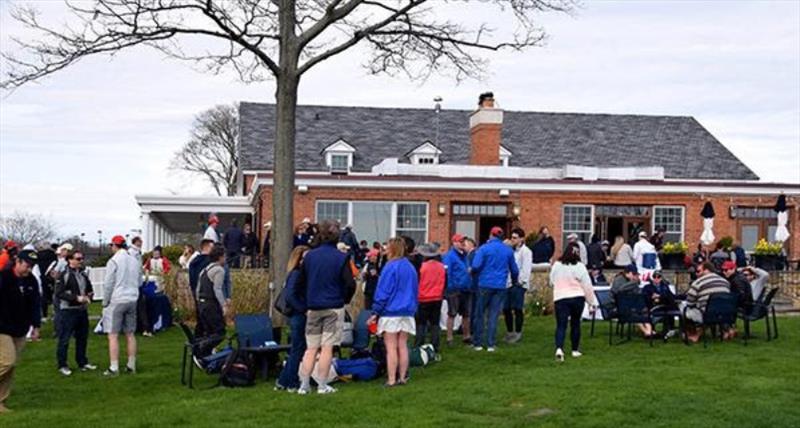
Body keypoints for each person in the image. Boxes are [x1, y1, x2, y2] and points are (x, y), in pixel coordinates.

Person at [297, 220, 356, 395]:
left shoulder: (310, 257)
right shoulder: (341, 257)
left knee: (311, 347)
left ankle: (304, 385)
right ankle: (322, 385)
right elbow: (350, 284)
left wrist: (306, 303)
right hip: (333, 306)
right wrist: (344, 300)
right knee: (327, 347)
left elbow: (301, 282)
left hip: (313, 307)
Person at [368, 237, 418, 387]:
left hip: (391, 312)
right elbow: (415, 290)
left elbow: (383, 291)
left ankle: (391, 379)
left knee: (391, 348)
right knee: (402, 345)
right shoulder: (410, 267)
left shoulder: (390, 267)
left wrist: (375, 311)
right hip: (407, 311)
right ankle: (403, 377)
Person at [0, 250, 40, 412]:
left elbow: (35, 304)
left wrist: (36, 326)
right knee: (7, 361)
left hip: (20, 328)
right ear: (18, 261)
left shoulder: (31, 281)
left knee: (12, 366)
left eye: (31, 267)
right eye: (26, 265)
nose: (28, 269)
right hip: (2, 327)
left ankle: (1, 401)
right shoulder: (4, 278)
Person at [471, 227, 519, 352]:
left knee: (480, 314)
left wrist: (472, 272)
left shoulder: (484, 248)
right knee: (493, 315)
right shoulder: (508, 251)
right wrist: (514, 282)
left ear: (491, 235)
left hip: (484, 284)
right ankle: (491, 344)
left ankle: (478, 343)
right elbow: (514, 270)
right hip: (500, 286)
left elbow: (475, 265)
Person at [549, 243, 598, 361]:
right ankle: (575, 350)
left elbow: (551, 281)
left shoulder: (557, 265)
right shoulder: (580, 266)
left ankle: (559, 348)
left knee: (561, 325)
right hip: (577, 297)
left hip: (561, 297)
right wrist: (592, 302)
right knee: (575, 324)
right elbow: (587, 285)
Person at [102, 236, 141, 376]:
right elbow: (139, 280)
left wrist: (105, 301)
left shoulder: (113, 261)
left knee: (113, 335)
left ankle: (114, 367)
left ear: (114, 246)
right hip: (132, 298)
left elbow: (108, 284)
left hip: (117, 299)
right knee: (130, 334)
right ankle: (131, 365)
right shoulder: (134, 260)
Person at [54, 250, 96, 376]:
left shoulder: (83, 274)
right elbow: (59, 293)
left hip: (82, 311)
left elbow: (89, 288)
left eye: (82, 258)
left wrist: (90, 295)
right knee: (64, 339)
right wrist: (76, 298)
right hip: (67, 311)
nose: (81, 261)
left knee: (82, 338)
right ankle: (62, 365)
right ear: (70, 260)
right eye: (78, 259)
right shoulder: (64, 275)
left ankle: (82, 362)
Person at [276, 246, 311, 392]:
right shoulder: (296, 274)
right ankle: (290, 381)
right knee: (297, 348)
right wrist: (303, 309)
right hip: (298, 314)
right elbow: (291, 296)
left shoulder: (297, 274)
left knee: (297, 348)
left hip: (297, 314)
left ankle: (284, 379)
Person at [682, 262, 731, 343]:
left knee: (683, 308)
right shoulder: (725, 282)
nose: (696, 274)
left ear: (706, 270)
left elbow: (690, 302)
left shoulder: (698, 282)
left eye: (698, 271)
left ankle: (692, 334)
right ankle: (725, 331)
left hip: (706, 315)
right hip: (724, 315)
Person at [194, 246, 227, 360]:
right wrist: (224, 305)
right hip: (211, 304)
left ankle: (205, 356)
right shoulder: (219, 270)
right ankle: (201, 348)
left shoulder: (205, 269)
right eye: (224, 256)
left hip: (202, 304)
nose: (225, 258)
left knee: (209, 331)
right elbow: (217, 289)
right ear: (220, 257)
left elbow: (198, 289)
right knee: (220, 332)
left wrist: (199, 303)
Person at [503, 228, 533, 344]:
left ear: (521, 239)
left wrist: (520, 281)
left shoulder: (526, 252)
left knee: (517, 308)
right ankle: (510, 331)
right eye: (512, 238)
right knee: (506, 308)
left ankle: (518, 332)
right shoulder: (510, 251)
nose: (513, 240)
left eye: (515, 238)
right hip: (508, 283)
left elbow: (526, 269)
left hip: (519, 284)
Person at [442, 234, 472, 346]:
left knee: (466, 314)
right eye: (460, 241)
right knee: (452, 313)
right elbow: (447, 273)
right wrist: (450, 287)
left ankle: (466, 336)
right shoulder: (449, 256)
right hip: (454, 289)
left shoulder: (465, 255)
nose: (462, 243)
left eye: (463, 241)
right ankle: (449, 337)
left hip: (465, 288)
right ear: (454, 243)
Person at [414, 243, 445, 352]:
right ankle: (435, 344)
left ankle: (419, 343)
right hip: (437, 297)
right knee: (435, 322)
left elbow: (418, 281)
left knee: (421, 322)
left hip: (423, 297)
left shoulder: (422, 267)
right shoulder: (441, 266)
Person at [642, 271, 678, 337]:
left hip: (665, 306)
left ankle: (670, 329)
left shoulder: (665, 287)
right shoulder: (647, 287)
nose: (656, 279)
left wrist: (660, 296)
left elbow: (671, 296)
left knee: (670, 306)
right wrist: (651, 297)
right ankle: (653, 331)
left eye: (658, 277)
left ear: (661, 278)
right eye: (654, 277)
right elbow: (644, 297)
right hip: (653, 307)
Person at [35, 242, 57, 320]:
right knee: (53, 295)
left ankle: (44, 315)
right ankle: (54, 313)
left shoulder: (38, 255)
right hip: (51, 277)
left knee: (44, 296)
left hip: (41, 277)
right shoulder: (53, 255)